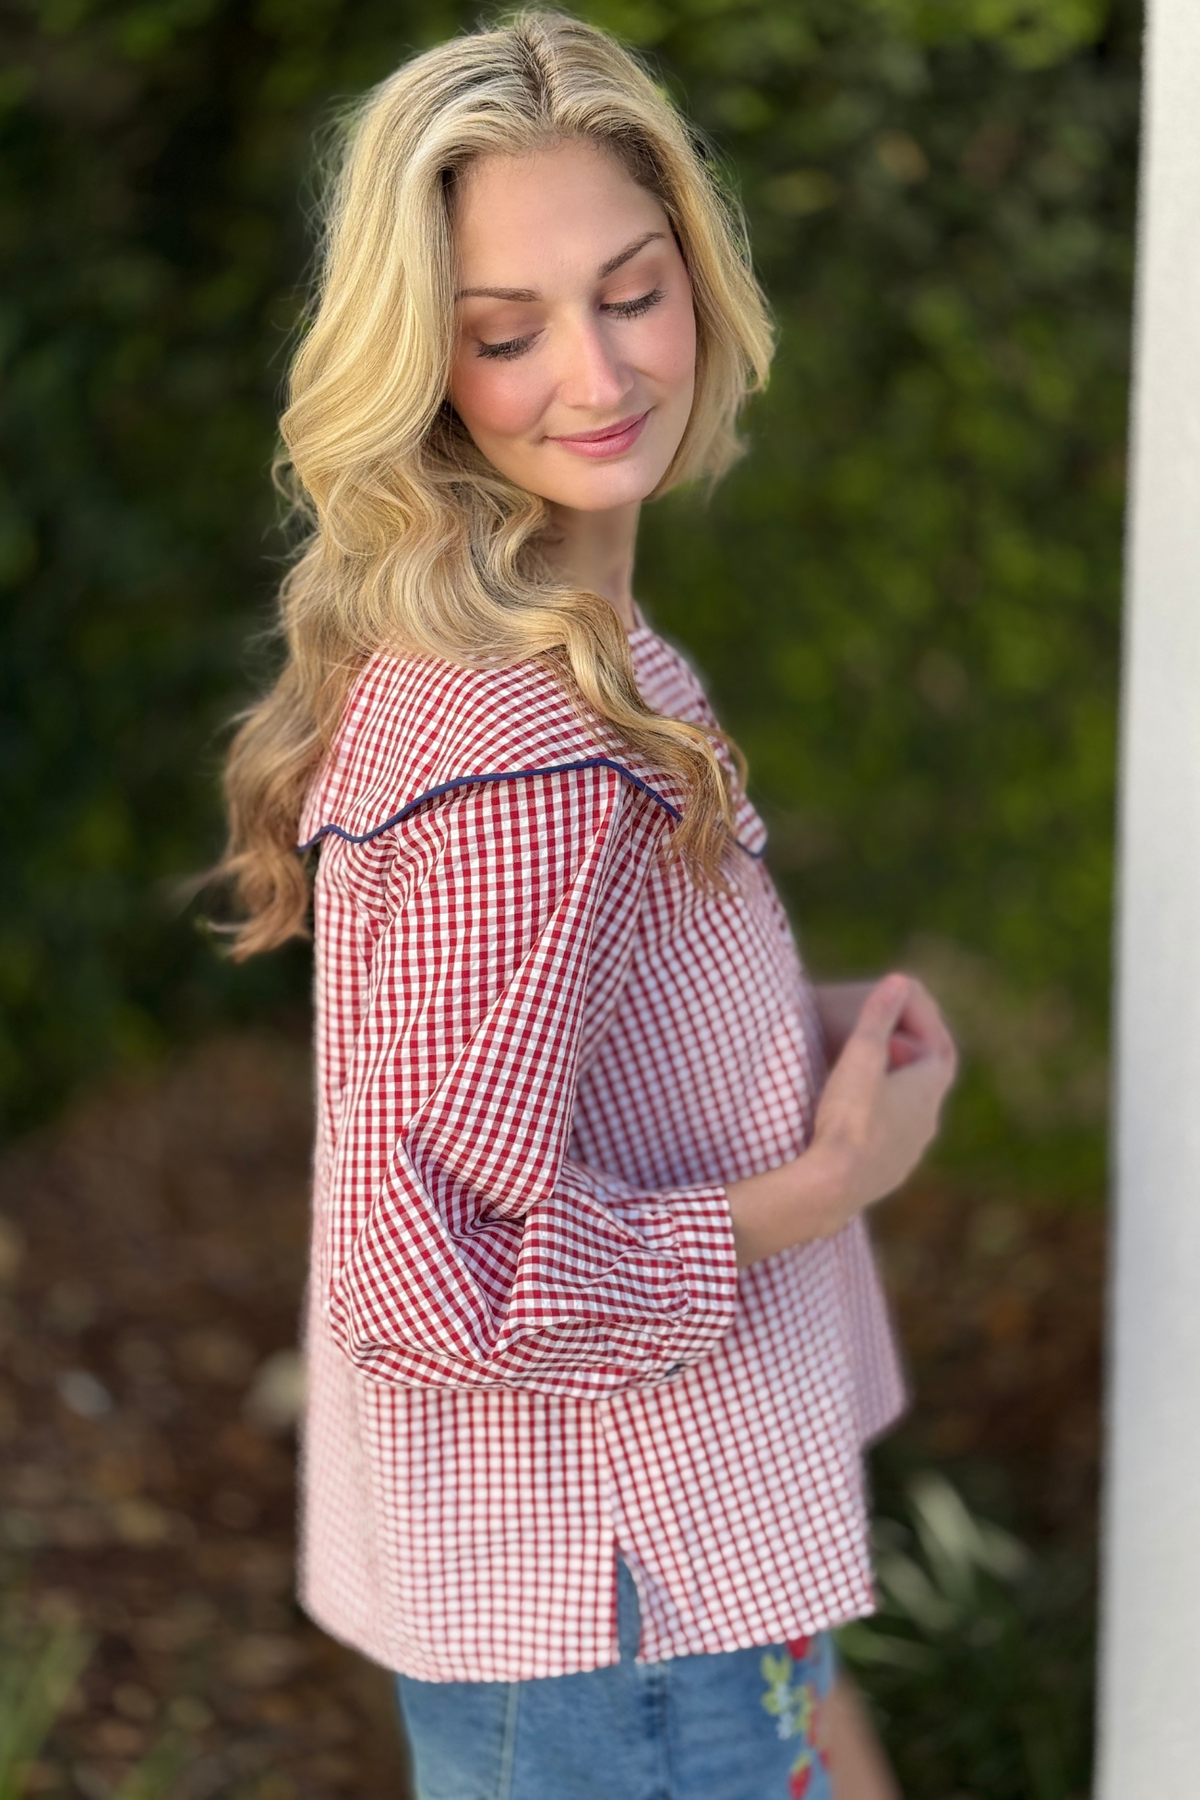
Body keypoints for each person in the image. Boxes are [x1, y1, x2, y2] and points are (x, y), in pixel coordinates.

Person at [217, 12, 957, 1797]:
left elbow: (528, 1075)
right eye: (505, 331)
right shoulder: (531, 746)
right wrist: (823, 1186)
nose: (597, 372)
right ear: (426, 367)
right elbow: (436, 1270)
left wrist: (788, 1039)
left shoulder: (561, 649)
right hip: (619, 1606)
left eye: (632, 289)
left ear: (700, 276)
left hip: (638, 1576)